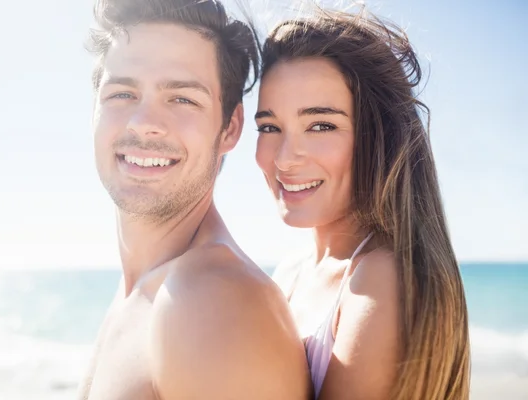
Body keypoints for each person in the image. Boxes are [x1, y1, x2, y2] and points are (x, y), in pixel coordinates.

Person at [76, 0, 311, 399]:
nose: (143, 123)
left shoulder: (211, 303)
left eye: (182, 98)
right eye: (121, 94)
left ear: (230, 128)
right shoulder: (147, 290)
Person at [254, 8, 471, 400]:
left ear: (379, 135)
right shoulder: (291, 271)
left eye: (321, 125)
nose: (284, 157)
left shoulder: (377, 280)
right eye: (269, 127)